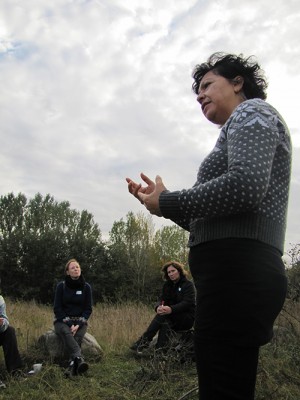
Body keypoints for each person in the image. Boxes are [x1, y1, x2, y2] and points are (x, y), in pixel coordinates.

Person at [126, 52, 292, 399]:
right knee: (223, 385)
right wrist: (159, 204)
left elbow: (245, 185)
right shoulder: (236, 128)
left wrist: (168, 201)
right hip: (231, 278)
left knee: (223, 387)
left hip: (239, 275)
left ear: (237, 82)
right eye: (197, 91)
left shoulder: (252, 112)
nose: (200, 95)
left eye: (207, 85)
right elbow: (211, 221)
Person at [130, 261, 196, 353]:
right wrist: (158, 307)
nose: (171, 274)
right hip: (171, 317)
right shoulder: (167, 285)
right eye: (169, 272)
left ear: (179, 271)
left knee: (164, 316)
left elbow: (188, 303)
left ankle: (143, 342)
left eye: (173, 271)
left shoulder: (188, 285)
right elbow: (161, 299)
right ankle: (159, 351)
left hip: (186, 318)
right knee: (165, 322)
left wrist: (171, 309)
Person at [53, 258, 93, 377]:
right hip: (62, 321)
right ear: (67, 272)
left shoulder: (86, 287)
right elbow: (57, 308)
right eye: (73, 268)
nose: (76, 269)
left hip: (80, 322)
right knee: (67, 332)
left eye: (77, 267)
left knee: (78, 336)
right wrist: (71, 324)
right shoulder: (61, 286)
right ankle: (79, 358)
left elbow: (88, 309)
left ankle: (71, 366)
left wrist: (78, 325)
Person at [0, 295, 23, 388]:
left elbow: (5, 319)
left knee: (10, 331)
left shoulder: (0, 299)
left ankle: (15, 372)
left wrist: (2, 324)